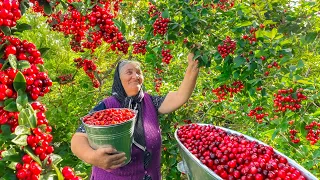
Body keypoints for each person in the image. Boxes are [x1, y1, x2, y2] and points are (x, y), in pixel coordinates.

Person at [71, 52, 200, 180]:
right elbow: (78, 139)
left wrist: (193, 66)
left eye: (138, 72)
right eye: (129, 72)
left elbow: (179, 96)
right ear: (119, 79)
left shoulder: (151, 102)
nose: (135, 76)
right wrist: (93, 157)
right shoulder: (106, 106)